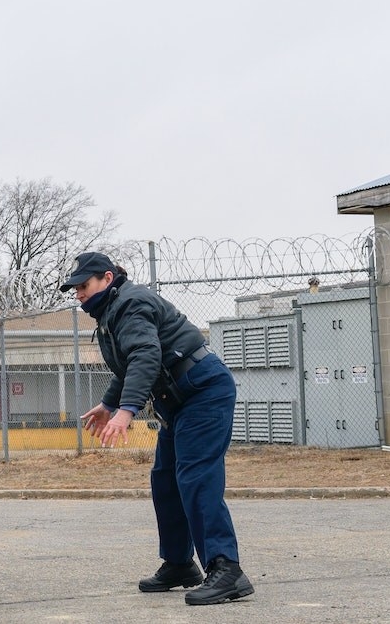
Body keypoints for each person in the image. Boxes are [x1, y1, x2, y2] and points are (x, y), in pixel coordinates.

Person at [62, 251, 255, 606]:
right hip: (176, 400)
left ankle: (227, 569)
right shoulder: (111, 313)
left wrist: (126, 411)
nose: (78, 294)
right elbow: (128, 365)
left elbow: (145, 356)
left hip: (202, 392)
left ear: (107, 278)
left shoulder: (130, 303)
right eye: (74, 289)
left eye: (83, 286)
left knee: (196, 476)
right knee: (165, 479)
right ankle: (181, 564)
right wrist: (108, 404)